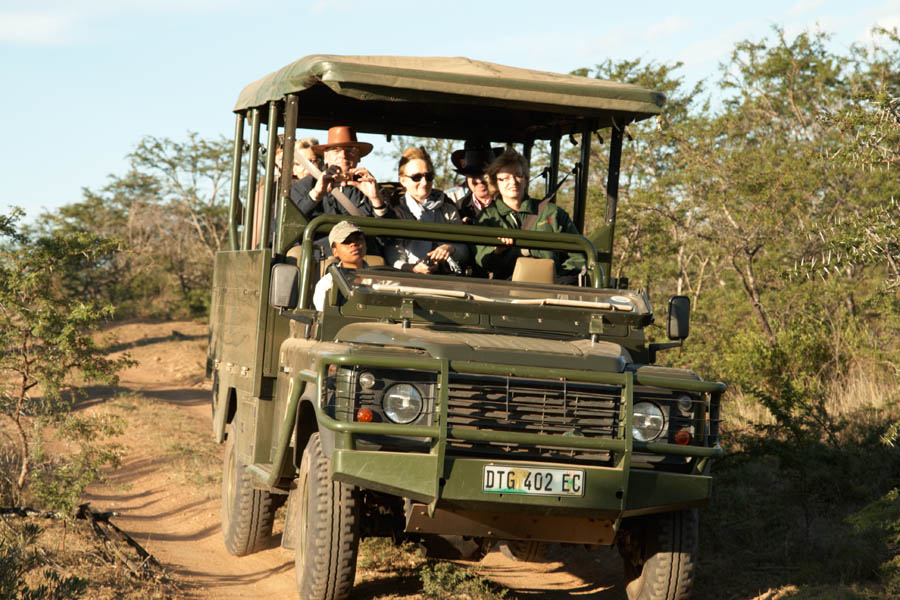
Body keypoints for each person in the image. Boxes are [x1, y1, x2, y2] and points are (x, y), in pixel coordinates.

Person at [475, 149, 584, 280]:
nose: (513, 182)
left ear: (526, 179)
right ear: (495, 183)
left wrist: (558, 276)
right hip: (504, 289)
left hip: (551, 287)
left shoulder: (552, 213)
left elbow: (578, 257)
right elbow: (481, 261)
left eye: (518, 175)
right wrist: (498, 251)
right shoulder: (487, 217)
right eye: (504, 178)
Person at [385, 147, 468, 274]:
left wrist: (450, 249)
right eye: (416, 177)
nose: (424, 182)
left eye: (428, 176)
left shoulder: (448, 210)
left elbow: (464, 251)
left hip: (448, 279)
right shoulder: (395, 211)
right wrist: (413, 268)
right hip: (407, 282)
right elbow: (393, 254)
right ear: (402, 180)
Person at [291, 126, 389, 221]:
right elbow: (284, 223)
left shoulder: (372, 188)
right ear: (326, 155)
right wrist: (314, 196)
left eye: (350, 150)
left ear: (358, 156)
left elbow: (393, 235)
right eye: (336, 150)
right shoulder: (303, 187)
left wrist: (377, 201)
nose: (343, 155)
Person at [252, 137, 320, 248]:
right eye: (300, 163)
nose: (307, 167)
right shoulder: (277, 189)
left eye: (312, 161)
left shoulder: (331, 187)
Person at [313, 221, 368, 311]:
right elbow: (325, 316)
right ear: (335, 251)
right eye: (346, 241)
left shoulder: (383, 279)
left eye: (358, 239)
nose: (353, 244)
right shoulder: (327, 283)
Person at [445, 140, 503, 224]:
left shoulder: (508, 204)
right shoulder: (457, 208)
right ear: (466, 177)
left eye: (484, 174)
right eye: (473, 174)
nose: (479, 180)